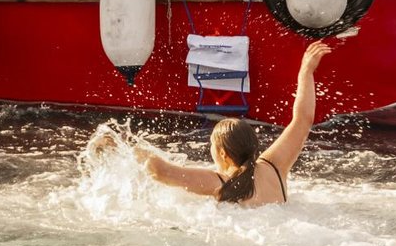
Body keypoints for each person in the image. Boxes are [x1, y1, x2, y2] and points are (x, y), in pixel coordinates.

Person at [92, 41, 332, 206]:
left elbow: (161, 172)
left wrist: (124, 144)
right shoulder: (274, 168)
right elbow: (303, 119)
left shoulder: (221, 182)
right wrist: (306, 71)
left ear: (224, 154)